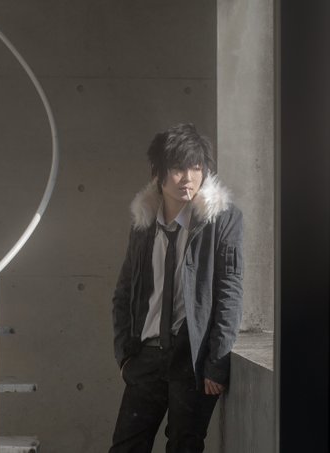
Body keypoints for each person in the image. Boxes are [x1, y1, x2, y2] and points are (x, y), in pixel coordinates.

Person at [110, 123, 244, 452]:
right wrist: (125, 356)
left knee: (185, 445)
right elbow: (124, 291)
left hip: (192, 358)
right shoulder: (143, 224)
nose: (188, 178)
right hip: (146, 355)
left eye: (196, 167)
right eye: (178, 168)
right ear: (158, 173)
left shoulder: (221, 220)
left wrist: (217, 362)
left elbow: (229, 293)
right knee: (125, 446)